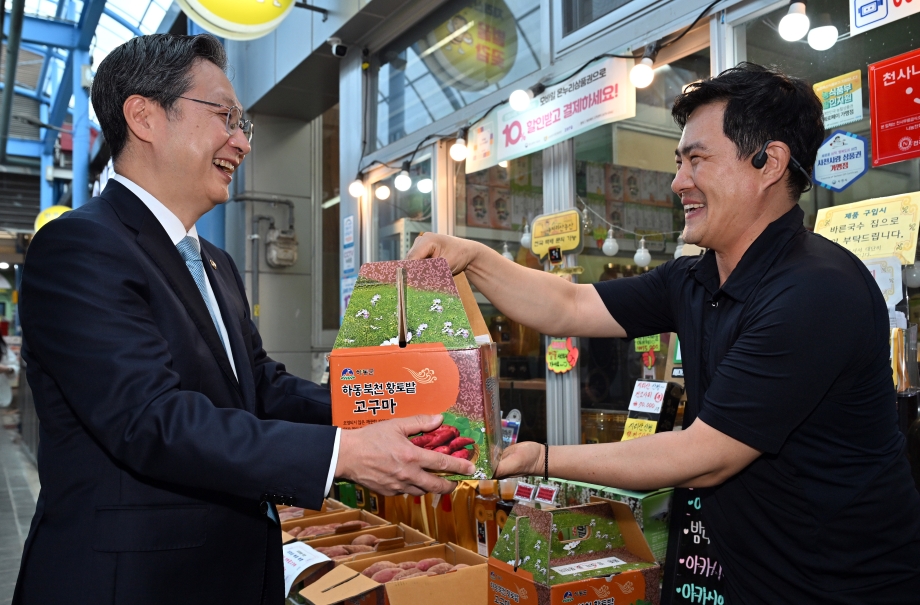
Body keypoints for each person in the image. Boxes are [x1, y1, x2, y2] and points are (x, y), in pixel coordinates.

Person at [408, 63, 920, 603]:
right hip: (756, 577)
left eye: (697, 160)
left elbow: (703, 454)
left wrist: (540, 458)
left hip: (849, 586)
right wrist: (476, 258)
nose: (679, 182)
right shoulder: (697, 275)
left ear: (769, 163)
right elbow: (570, 304)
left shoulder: (816, 288)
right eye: (680, 162)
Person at [13, 34, 472, 605]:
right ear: (144, 116)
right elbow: (152, 420)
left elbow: (261, 386)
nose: (242, 143)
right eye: (226, 116)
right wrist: (345, 455)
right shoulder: (80, 246)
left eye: (244, 124)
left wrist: (392, 402)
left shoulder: (215, 262)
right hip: (132, 582)